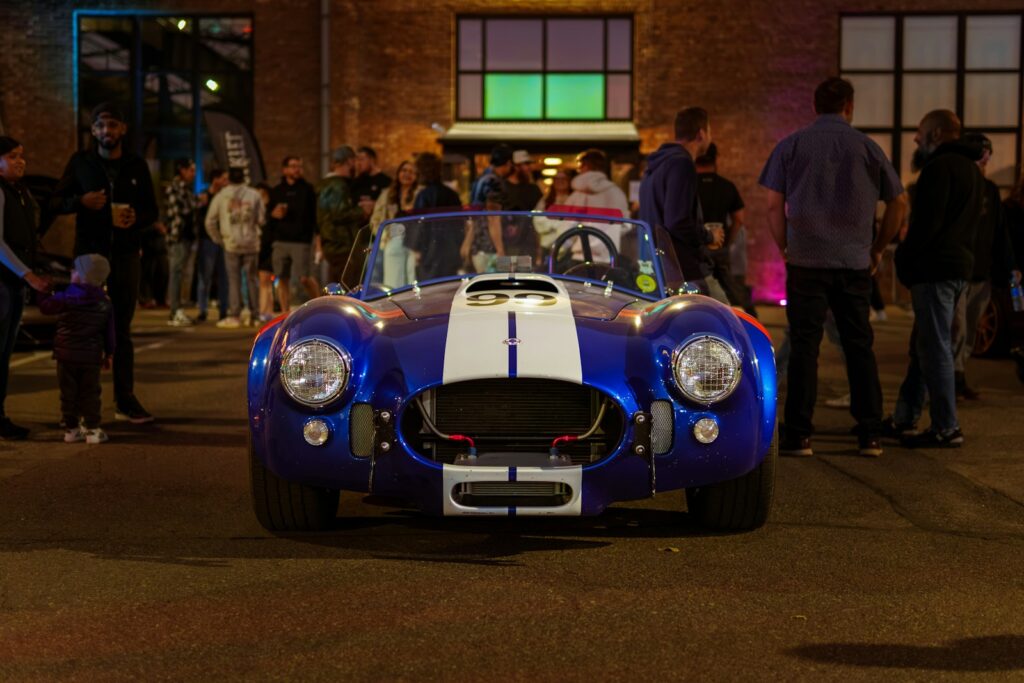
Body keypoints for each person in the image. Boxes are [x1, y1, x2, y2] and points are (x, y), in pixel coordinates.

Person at [759, 78, 906, 458]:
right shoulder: (868, 147)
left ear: (814, 105)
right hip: (854, 263)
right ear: (849, 106)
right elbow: (899, 203)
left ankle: (799, 436)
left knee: (806, 346)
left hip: (806, 261)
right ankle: (870, 434)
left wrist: (785, 247)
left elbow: (773, 205)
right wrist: (876, 249)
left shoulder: (790, 145)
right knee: (859, 346)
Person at [51, 102, 158, 425]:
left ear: (122, 130)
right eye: (100, 125)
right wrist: (80, 201)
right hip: (89, 255)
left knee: (122, 329)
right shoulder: (81, 163)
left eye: (112, 125)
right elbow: (56, 201)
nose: (106, 131)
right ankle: (82, 408)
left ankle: (124, 399)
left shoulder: (137, 166)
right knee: (83, 329)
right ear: (93, 130)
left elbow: (152, 211)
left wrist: (137, 217)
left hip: (125, 253)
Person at [888, 110, 983, 448]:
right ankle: (905, 417)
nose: (916, 138)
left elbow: (926, 226)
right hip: (959, 270)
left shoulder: (938, 169)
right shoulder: (972, 171)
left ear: (938, 134)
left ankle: (946, 426)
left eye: (920, 132)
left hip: (936, 271)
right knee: (926, 345)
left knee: (935, 347)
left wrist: (903, 259)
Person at [952, 133, 1016, 400]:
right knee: (957, 328)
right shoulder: (959, 185)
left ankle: (958, 375)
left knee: (969, 329)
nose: (986, 160)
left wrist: (1009, 264)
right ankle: (951, 379)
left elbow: (1000, 230)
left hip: (982, 271)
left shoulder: (989, 189)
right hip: (959, 270)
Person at [640, 108, 723, 291]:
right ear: (701, 133)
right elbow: (678, 221)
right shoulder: (681, 164)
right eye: (710, 131)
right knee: (724, 316)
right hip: (682, 269)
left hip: (658, 267)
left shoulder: (653, 167)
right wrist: (709, 235)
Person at [0, 136, 50, 440]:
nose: (21, 161)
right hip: (4, 282)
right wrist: (27, 274)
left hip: (12, 282)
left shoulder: (18, 192)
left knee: (5, 352)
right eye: (12, 156)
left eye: (22, 155)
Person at [38, 254, 114, 444]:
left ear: (81, 276)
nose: (71, 272)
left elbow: (45, 307)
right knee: (90, 393)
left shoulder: (65, 298)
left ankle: (71, 430)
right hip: (91, 357)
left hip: (65, 356)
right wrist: (109, 354)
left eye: (75, 270)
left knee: (68, 394)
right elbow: (110, 333)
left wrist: (43, 291)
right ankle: (93, 429)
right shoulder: (105, 304)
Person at [205, 168, 264, 328]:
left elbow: (210, 221)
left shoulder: (222, 196)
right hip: (251, 243)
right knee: (252, 279)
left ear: (229, 179)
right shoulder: (254, 194)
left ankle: (235, 315)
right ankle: (255, 315)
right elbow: (261, 219)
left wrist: (220, 239)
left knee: (233, 280)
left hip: (231, 244)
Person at [695, 143, 751, 312]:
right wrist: (727, 242)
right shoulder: (727, 186)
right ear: (715, 159)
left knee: (699, 295)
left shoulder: (689, 185)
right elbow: (739, 219)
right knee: (729, 290)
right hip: (720, 248)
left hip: (697, 250)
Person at [267, 156, 318, 313]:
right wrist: (273, 214)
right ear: (285, 170)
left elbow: (315, 215)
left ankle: (320, 305)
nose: (297, 170)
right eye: (293, 166)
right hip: (281, 239)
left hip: (301, 240)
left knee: (305, 277)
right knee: (282, 277)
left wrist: (317, 238)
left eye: (299, 166)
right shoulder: (276, 191)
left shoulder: (308, 189)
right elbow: (268, 215)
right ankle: (285, 312)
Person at [317, 146, 368, 284]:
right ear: (349, 161)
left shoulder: (323, 184)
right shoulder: (338, 185)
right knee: (348, 283)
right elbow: (339, 213)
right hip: (342, 243)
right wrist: (363, 210)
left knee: (337, 280)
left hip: (330, 241)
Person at [409, 152, 463, 281]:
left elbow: (419, 226)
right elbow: (460, 224)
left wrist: (416, 249)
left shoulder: (423, 196)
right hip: (451, 250)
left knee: (430, 291)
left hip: (429, 252)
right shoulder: (452, 194)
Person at [464, 145, 514, 271]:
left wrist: (467, 243)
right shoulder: (494, 182)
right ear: (508, 163)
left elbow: (473, 216)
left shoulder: (479, 180)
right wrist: (501, 251)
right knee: (497, 285)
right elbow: (493, 218)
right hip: (491, 248)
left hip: (477, 246)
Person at [370, 159, 419, 289]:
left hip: (413, 240)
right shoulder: (387, 194)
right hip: (391, 238)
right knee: (393, 278)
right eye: (404, 171)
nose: (407, 174)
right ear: (398, 173)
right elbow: (375, 219)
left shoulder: (419, 194)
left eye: (411, 172)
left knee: (411, 277)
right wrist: (383, 235)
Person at [164, 158, 197, 327]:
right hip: (177, 237)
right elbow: (181, 211)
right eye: (191, 170)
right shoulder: (174, 187)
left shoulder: (185, 188)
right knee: (176, 274)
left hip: (186, 237)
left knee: (181, 274)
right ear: (182, 170)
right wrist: (197, 202)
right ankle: (174, 311)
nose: (194, 173)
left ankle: (178, 309)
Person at [195, 169, 230, 323]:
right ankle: (202, 310)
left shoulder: (226, 196)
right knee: (205, 276)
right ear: (215, 180)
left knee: (224, 276)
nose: (226, 182)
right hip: (207, 240)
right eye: (223, 179)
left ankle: (224, 310)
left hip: (224, 240)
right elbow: (200, 219)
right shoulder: (204, 195)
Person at [533, 168, 576, 250]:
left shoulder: (576, 199)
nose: (560, 181)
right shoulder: (545, 200)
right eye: (557, 179)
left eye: (563, 179)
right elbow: (537, 222)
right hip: (548, 246)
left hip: (570, 246)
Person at [254, 182, 275, 322]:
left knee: (265, 280)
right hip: (260, 248)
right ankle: (266, 311)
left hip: (270, 248)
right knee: (264, 280)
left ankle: (265, 311)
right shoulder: (257, 210)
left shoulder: (270, 211)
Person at [351, 146, 392, 218]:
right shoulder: (356, 181)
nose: (358, 163)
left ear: (372, 160)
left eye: (361, 159)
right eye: (357, 160)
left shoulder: (386, 181)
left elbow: (391, 206)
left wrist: (375, 205)